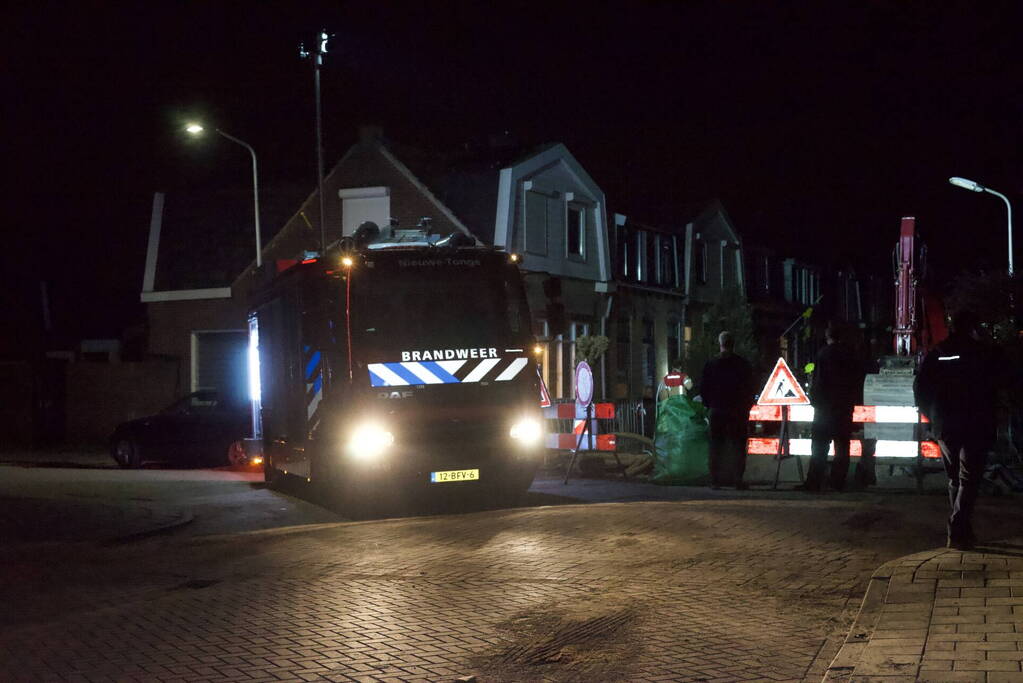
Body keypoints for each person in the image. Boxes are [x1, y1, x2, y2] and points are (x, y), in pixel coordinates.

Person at [914, 310, 1001, 550]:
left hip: (946, 424)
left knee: (955, 478)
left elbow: (921, 388)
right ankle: (958, 527)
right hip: (975, 422)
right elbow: (997, 386)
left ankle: (962, 530)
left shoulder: (938, 353)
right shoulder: (983, 353)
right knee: (969, 478)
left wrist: (932, 417)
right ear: (974, 328)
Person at [803, 322, 865, 492]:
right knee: (842, 447)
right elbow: (857, 381)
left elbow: (818, 382)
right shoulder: (850, 355)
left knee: (819, 447)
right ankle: (838, 482)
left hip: (824, 409)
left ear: (827, 336)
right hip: (844, 409)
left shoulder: (823, 355)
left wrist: (815, 402)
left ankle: (814, 482)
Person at [700, 331, 755, 489]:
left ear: (720, 343)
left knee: (716, 445)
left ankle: (715, 480)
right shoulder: (742, 364)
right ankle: (738, 479)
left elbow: (704, 388)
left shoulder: (711, 364)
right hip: (737, 411)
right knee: (738, 445)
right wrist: (746, 406)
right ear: (733, 343)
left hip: (717, 410)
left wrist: (709, 404)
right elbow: (750, 387)